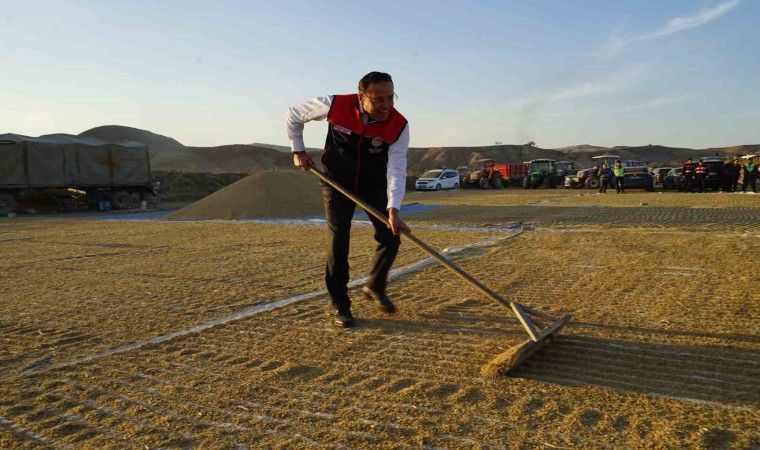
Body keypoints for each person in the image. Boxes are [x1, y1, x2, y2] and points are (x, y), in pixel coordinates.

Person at [286, 71, 411, 328]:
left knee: (391, 235)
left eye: (391, 98)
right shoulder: (334, 104)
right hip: (337, 181)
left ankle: (375, 286)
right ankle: (340, 305)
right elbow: (294, 114)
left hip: (373, 182)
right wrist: (298, 150)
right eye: (378, 100)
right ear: (361, 96)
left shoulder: (399, 125)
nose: (386, 106)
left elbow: (396, 169)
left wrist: (393, 208)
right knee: (339, 240)